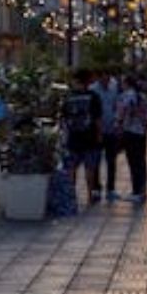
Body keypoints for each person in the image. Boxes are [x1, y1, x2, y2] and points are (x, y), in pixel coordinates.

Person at [62, 68, 104, 206]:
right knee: (89, 168)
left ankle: (71, 196)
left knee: (71, 169)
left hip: (73, 137)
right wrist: (99, 135)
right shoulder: (93, 96)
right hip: (90, 136)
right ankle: (90, 195)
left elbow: (64, 118)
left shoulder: (68, 97)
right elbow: (97, 118)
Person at [116, 74, 147, 204]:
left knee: (133, 162)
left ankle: (136, 192)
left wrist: (118, 127)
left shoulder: (125, 96)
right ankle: (142, 191)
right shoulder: (143, 96)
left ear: (126, 83)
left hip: (130, 132)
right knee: (141, 162)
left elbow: (121, 114)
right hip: (141, 133)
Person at [90, 70, 121, 201]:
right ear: (99, 78)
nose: (106, 81)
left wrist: (117, 121)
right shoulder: (93, 90)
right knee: (96, 160)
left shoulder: (114, 87)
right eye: (104, 78)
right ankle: (96, 187)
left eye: (108, 79)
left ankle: (111, 188)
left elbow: (117, 105)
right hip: (97, 130)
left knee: (111, 161)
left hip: (111, 129)